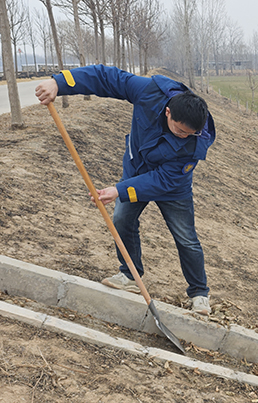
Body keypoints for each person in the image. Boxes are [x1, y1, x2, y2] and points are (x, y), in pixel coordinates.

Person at [35, 65, 216, 315]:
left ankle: (199, 293)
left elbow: (162, 180)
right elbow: (106, 78)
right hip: (136, 171)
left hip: (172, 187)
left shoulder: (195, 143)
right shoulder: (149, 92)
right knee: (121, 219)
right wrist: (59, 83)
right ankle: (130, 276)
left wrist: (119, 190)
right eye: (180, 130)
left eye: (190, 133)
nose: (184, 136)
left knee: (186, 238)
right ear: (168, 112)